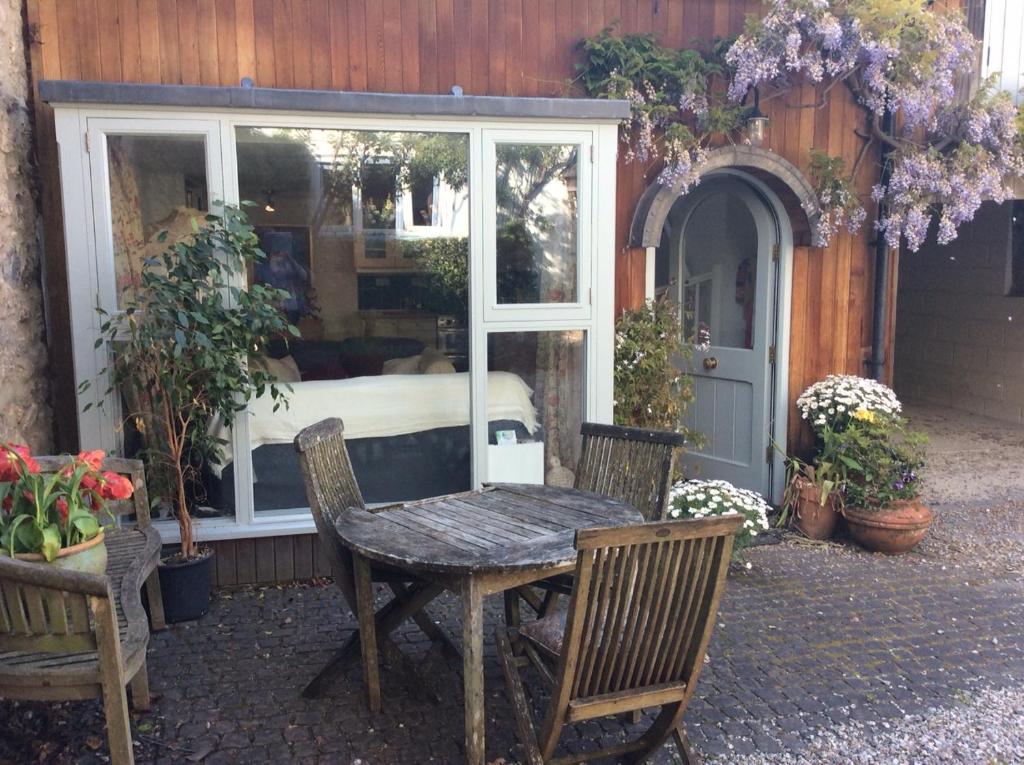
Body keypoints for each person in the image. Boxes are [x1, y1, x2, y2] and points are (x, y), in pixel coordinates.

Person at [257, 231, 309, 322]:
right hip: (272, 306)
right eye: (277, 251)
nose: (280, 254)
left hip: (291, 306)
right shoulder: (264, 266)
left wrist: (290, 259)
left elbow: (304, 276)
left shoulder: (290, 264)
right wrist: (272, 261)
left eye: (283, 250)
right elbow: (266, 279)